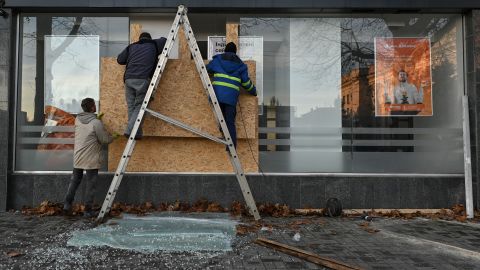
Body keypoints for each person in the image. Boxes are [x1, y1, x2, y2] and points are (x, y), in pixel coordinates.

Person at [63, 98, 114, 218]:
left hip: (78, 157)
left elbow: (87, 130)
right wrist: (113, 137)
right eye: (94, 105)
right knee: (91, 185)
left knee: (74, 182)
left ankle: (66, 205)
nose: (96, 107)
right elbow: (104, 139)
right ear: (92, 108)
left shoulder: (77, 120)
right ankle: (87, 211)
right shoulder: (96, 123)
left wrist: (97, 120)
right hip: (90, 159)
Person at [206, 42, 257, 149]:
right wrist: (254, 91)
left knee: (221, 118)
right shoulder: (241, 66)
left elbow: (207, 69)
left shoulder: (218, 61)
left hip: (217, 97)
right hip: (231, 99)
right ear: (235, 52)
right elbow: (246, 83)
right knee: (230, 122)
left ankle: (222, 131)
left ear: (225, 50)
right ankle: (231, 147)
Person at [117, 32, 167, 139]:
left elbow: (120, 60)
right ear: (149, 38)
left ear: (139, 39)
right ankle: (129, 130)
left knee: (132, 107)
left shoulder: (131, 46)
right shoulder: (153, 44)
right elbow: (165, 40)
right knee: (140, 106)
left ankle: (136, 133)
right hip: (142, 79)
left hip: (128, 79)